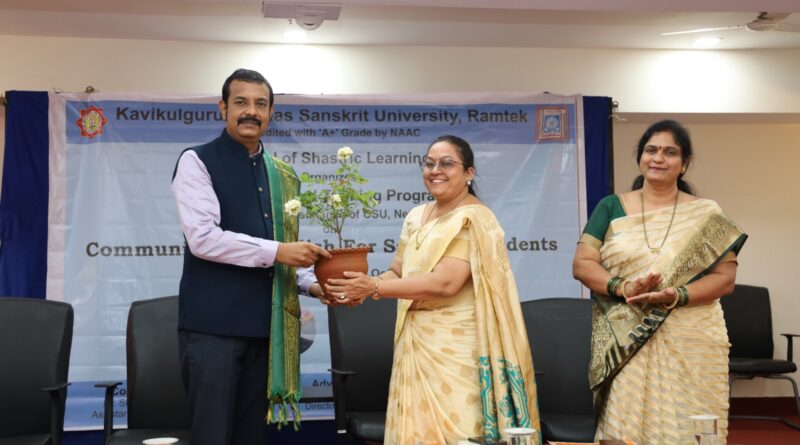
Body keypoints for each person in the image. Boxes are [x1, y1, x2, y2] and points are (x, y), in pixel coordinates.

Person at [326, 135, 540, 445]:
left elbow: (445, 283)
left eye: (446, 163)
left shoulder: (475, 218)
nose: (435, 170)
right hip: (414, 343)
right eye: (429, 163)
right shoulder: (416, 215)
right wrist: (359, 288)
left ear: (469, 173)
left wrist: (374, 286)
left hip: (457, 352)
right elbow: (398, 271)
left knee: (458, 432)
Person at [171, 68, 330, 444]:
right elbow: (204, 239)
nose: (250, 111)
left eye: (260, 104)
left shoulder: (283, 175)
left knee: (251, 437)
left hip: (265, 332)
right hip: (213, 332)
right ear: (222, 107)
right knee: (213, 435)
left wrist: (314, 284)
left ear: (271, 112)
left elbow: (285, 247)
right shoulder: (197, 161)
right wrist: (278, 251)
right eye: (241, 102)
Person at [572, 120, 747, 444]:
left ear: (684, 163)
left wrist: (676, 295)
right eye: (651, 150)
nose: (658, 158)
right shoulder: (611, 206)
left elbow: (725, 279)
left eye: (670, 152)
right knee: (625, 422)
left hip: (692, 336)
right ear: (640, 156)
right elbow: (582, 264)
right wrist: (622, 287)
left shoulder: (707, 213)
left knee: (690, 419)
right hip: (629, 334)